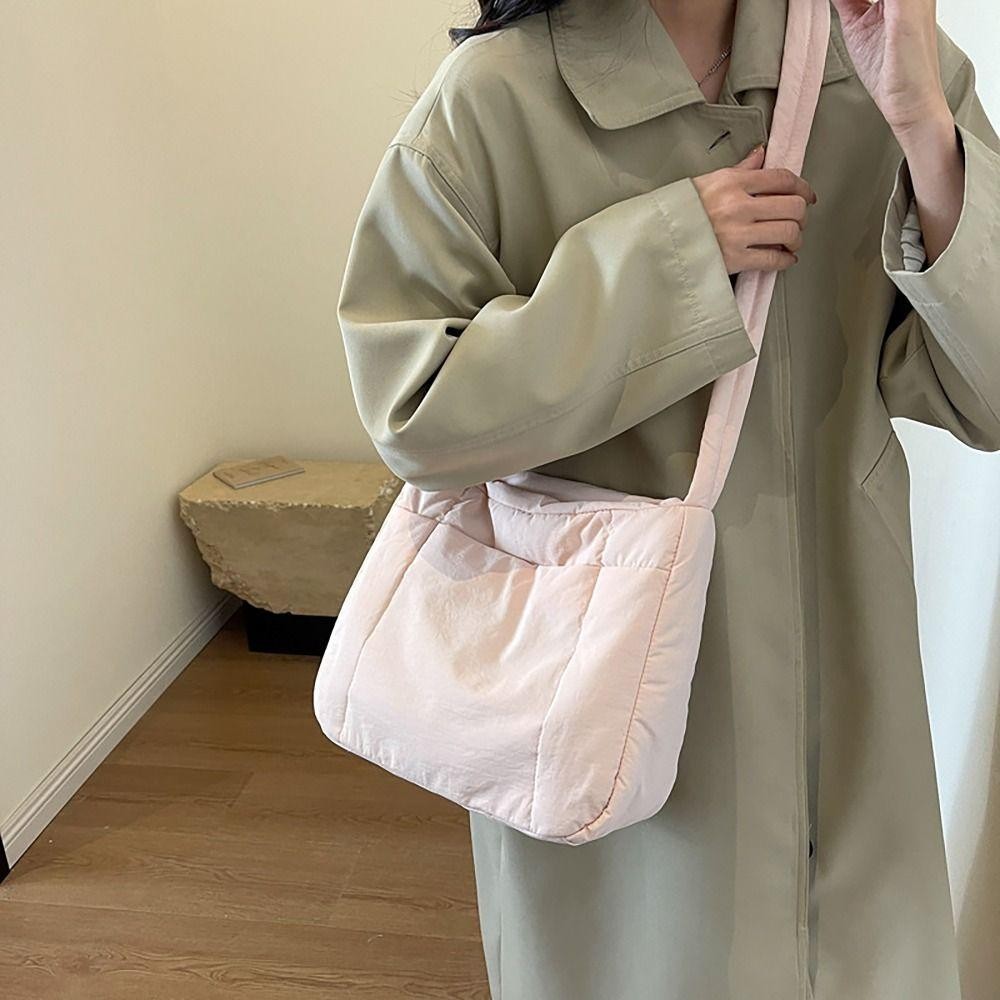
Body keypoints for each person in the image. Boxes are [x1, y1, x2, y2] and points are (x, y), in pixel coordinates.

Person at [334, 0, 1000, 996]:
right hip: (600, 699)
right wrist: (672, 259)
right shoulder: (496, 100)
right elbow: (417, 410)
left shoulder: (880, 65)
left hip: (847, 680)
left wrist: (923, 129)